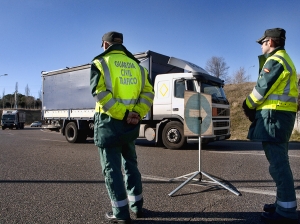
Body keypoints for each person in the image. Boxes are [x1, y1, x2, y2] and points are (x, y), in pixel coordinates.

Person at [90, 31, 154, 224]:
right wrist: (136, 113)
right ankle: (137, 207)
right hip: (131, 125)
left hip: (109, 123)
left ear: (105, 45)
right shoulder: (138, 66)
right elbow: (148, 93)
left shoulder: (100, 63)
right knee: (131, 164)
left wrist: (123, 114)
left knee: (112, 170)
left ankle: (120, 214)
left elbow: (99, 94)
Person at [242, 28, 298, 223]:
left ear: (271, 42)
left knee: (278, 164)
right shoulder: (285, 59)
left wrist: (247, 104)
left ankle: (286, 212)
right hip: (280, 116)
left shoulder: (276, 61)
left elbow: (261, 89)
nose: (261, 45)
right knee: (280, 162)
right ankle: (283, 202)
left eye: (263, 42)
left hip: (275, 117)